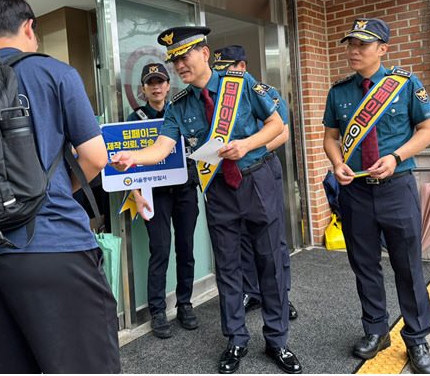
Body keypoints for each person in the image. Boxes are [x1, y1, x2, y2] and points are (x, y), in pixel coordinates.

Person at [111, 27, 302, 374]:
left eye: (184, 56)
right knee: (228, 268)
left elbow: (277, 123)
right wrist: (132, 157)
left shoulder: (240, 84)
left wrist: (246, 144)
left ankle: (277, 340)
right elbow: (162, 147)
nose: (179, 65)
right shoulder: (179, 105)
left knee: (270, 262)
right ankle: (236, 340)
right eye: (174, 60)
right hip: (217, 190)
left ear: (204, 53)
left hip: (257, 179)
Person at [0, 0, 120, 373]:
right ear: (29, 28)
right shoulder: (54, 72)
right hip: (52, 245)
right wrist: (54, 190)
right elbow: (96, 157)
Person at [323, 18, 430, 374]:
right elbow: (330, 136)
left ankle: (417, 338)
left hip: (397, 188)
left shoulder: (405, 85)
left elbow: (428, 129)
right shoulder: (339, 90)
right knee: (364, 264)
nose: (354, 51)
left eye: (363, 45)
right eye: (350, 45)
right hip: (355, 191)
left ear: (382, 49)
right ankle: (376, 330)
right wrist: (337, 161)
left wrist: (396, 156)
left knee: (408, 265)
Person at [212, 45, 298, 321]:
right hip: (232, 173)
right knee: (245, 242)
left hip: (264, 167)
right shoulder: (217, 99)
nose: (223, 73)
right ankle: (253, 291)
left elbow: (282, 133)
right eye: (219, 69)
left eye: (228, 67)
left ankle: (282, 295)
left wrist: (251, 149)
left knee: (274, 240)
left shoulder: (264, 92)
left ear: (242, 67)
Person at [126, 62, 200, 339]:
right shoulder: (134, 119)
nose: (156, 87)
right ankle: (158, 310)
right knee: (160, 251)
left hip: (184, 190)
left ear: (169, 86)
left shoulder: (182, 111)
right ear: (144, 89)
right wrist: (135, 193)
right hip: (152, 194)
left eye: (161, 81)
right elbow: (128, 165)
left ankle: (185, 304)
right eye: (150, 83)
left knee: (186, 249)